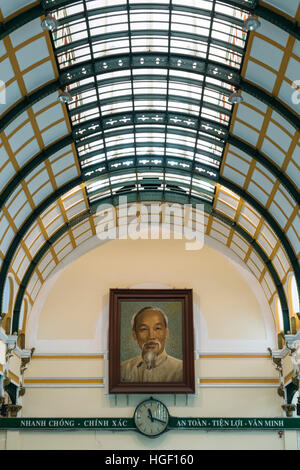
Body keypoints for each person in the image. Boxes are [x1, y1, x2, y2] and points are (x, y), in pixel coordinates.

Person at [120, 306, 183, 382]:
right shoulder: (123, 369)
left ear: (166, 333)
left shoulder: (181, 369)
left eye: (157, 328)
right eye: (144, 329)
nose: (151, 336)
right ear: (134, 335)